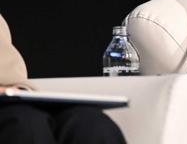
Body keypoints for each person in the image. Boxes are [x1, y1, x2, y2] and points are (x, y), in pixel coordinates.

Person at [0, 14, 126, 144]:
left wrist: (18, 89)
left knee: (91, 124)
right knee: (25, 124)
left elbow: (12, 75)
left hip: (13, 94)